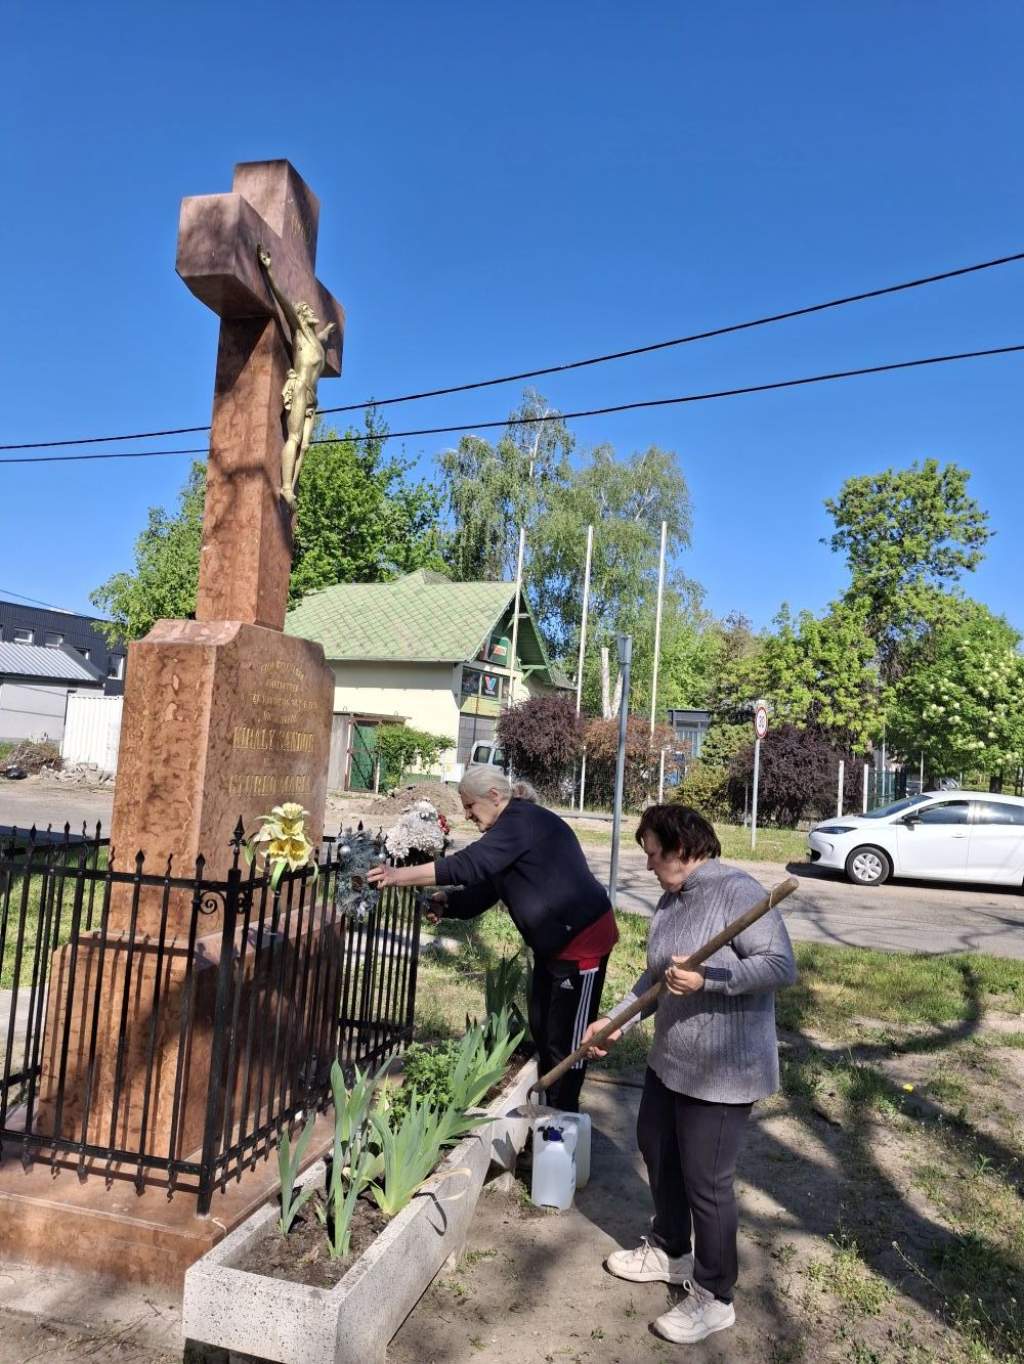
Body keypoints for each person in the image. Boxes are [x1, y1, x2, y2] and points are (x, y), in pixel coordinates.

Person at [581, 803, 796, 1346]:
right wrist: (613, 1022)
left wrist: (711, 980)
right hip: (671, 1060)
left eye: (653, 854)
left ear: (681, 849)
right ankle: (672, 1250)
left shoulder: (737, 892)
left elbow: (778, 965)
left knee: (708, 1181)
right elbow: (655, 977)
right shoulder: (670, 900)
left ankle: (714, 1295)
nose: (649, 865)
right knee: (656, 1148)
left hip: (724, 1070)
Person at [367, 767, 618, 1111]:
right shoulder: (509, 828)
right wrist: (449, 903)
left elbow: (467, 865)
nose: (468, 815)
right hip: (554, 947)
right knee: (544, 1028)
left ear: (494, 797)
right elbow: (485, 886)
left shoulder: (521, 822)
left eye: (470, 806)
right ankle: (550, 1117)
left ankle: (562, 1123)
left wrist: (398, 876)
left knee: (568, 1045)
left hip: (582, 944)